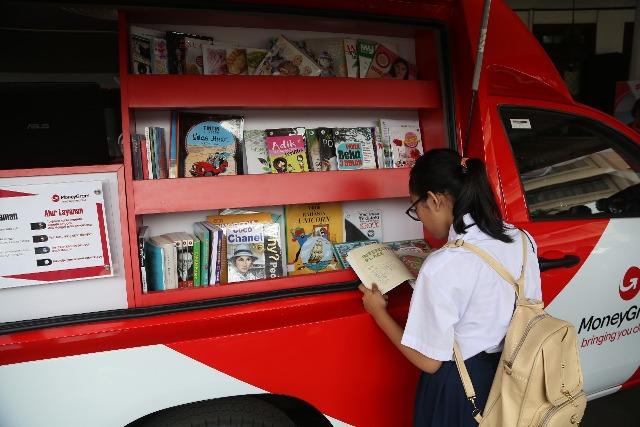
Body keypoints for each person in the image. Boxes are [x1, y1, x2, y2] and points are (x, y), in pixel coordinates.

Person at [359, 148, 542, 427]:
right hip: (517, 372)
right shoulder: (522, 239)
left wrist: (378, 312)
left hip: (464, 387)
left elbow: (428, 361)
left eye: (414, 207)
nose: (418, 216)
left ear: (434, 200)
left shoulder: (443, 264)